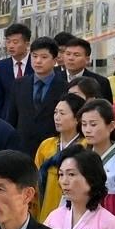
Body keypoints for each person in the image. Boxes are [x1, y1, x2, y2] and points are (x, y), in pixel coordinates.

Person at [9, 37, 68, 156]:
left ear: (55, 60)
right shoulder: (19, 84)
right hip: (22, 150)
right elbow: (11, 119)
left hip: (51, 152)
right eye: (34, 56)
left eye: (44, 57)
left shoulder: (64, 87)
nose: (38, 61)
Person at [80, 99, 115, 220]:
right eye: (84, 124)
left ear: (111, 126)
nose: (87, 130)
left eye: (93, 124)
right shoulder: (80, 160)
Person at [35, 93, 86, 222]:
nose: (57, 117)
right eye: (55, 113)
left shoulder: (86, 147)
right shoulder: (46, 145)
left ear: (77, 119)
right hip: (45, 208)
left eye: (62, 114)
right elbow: (34, 180)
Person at [60, 36, 114, 101]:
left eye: (76, 55)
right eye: (68, 54)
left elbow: (105, 108)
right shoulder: (55, 78)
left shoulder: (100, 82)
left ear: (87, 59)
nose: (71, 58)